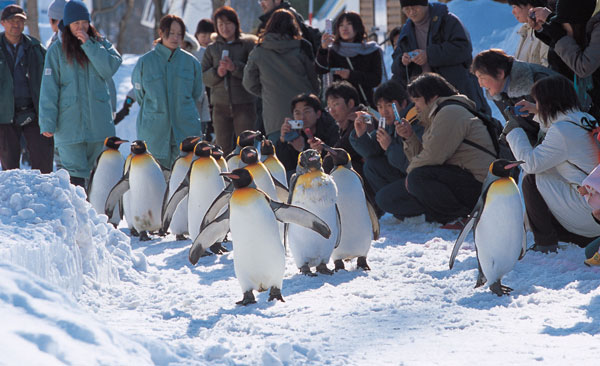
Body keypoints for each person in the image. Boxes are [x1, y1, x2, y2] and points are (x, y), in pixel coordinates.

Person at [502, 75, 600, 253]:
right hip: (594, 206)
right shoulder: (584, 119)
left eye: (537, 101)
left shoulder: (562, 131)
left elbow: (530, 163)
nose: (535, 105)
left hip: (590, 213)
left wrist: (514, 130)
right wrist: (536, 111)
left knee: (532, 176)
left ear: (548, 103)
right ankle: (568, 235)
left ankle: (545, 242)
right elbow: (557, 130)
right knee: (547, 171)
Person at [392, 73, 495, 227]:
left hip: (480, 184)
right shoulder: (439, 114)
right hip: (467, 178)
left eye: (417, 100)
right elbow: (425, 158)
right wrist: (409, 137)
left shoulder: (450, 112)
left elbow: (432, 157)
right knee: (406, 186)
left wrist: (411, 176)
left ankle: (460, 217)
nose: (416, 107)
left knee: (417, 179)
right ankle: (450, 217)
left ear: (433, 96)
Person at [39, 1, 120, 186]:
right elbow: (49, 89)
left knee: (100, 179)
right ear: (67, 24)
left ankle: (98, 215)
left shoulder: (100, 43)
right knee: (74, 180)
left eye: (85, 22)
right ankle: (77, 215)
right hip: (69, 128)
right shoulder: (56, 50)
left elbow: (109, 68)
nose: (81, 27)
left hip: (99, 127)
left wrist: (89, 45)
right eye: (76, 23)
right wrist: (47, 122)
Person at [391, 0, 491, 114]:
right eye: (407, 9)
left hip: (455, 89)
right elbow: (395, 65)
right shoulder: (406, 31)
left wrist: (429, 55)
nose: (411, 12)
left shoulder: (447, 21)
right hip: (424, 96)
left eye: (415, 8)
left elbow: (463, 48)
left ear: (425, 5)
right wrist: (402, 61)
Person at [132, 14, 204, 168]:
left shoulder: (191, 63)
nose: (175, 38)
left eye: (179, 34)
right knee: (155, 179)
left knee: (184, 181)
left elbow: (196, 93)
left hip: (185, 130)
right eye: (171, 33)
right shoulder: (145, 62)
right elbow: (140, 95)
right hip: (154, 132)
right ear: (161, 32)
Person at [243, 9, 319, 143]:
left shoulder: (259, 51)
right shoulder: (302, 47)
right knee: (310, 156)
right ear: (294, 26)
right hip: (306, 113)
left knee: (281, 157)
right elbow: (314, 80)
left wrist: (267, 92)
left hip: (275, 115)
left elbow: (248, 82)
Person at [349, 80, 423, 209]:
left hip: (418, 180)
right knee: (371, 165)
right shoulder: (389, 125)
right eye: (380, 107)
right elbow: (372, 151)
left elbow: (412, 164)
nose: (384, 111)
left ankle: (413, 209)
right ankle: (397, 208)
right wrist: (361, 134)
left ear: (403, 103)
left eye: (389, 105)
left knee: (382, 196)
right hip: (404, 177)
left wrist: (389, 147)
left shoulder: (412, 122)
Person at [0, 4, 53, 173]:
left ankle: (45, 198)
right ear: (2, 23)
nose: (16, 24)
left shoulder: (37, 48)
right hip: (4, 116)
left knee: (44, 166)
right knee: (10, 171)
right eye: (11, 21)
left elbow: (50, 82)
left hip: (35, 113)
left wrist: (50, 114)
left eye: (20, 21)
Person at [530, 0, 600, 120]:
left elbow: (584, 67)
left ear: (576, 23)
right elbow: (568, 52)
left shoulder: (597, 29)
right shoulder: (584, 26)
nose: (563, 29)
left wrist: (559, 36)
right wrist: (544, 30)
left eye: (563, 24)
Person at [471, 48, 556, 145]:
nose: (480, 84)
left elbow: (560, 118)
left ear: (500, 74)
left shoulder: (539, 80)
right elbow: (521, 128)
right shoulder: (499, 94)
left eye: (482, 78)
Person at [202, 6, 257, 155]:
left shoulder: (247, 44)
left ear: (235, 23)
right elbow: (204, 76)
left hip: (244, 102)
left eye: (228, 23)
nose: (224, 28)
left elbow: (254, 72)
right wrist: (217, 73)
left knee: (245, 146)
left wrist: (235, 68)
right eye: (220, 24)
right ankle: (225, 176)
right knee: (222, 147)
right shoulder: (212, 48)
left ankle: (247, 175)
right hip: (220, 105)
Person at [310, 81, 372, 187]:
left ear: (351, 103)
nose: (332, 111)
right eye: (329, 107)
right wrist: (323, 147)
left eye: (335, 104)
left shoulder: (363, 119)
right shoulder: (344, 125)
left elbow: (343, 149)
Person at [316, 11, 383, 107]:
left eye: (349, 24)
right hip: (340, 106)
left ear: (357, 26)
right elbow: (320, 69)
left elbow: (376, 79)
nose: (344, 28)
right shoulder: (333, 50)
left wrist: (350, 75)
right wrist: (323, 49)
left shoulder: (371, 50)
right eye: (341, 25)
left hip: (365, 103)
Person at [275, 93, 339, 176]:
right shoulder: (294, 133)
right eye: (297, 113)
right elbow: (285, 166)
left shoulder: (331, 129)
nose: (302, 117)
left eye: (307, 112)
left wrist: (304, 148)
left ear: (318, 114)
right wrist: (282, 140)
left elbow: (332, 161)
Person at [509, 0, 549, 67]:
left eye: (514, 7)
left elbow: (547, 66)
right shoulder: (525, 31)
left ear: (529, 6)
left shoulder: (545, 29)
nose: (513, 12)